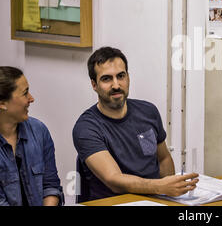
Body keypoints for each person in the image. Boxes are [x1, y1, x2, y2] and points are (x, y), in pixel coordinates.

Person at [72, 47, 198, 202]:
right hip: (113, 202)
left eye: (121, 76)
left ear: (128, 78)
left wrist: (171, 191)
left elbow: (163, 158)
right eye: (107, 79)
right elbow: (114, 180)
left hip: (155, 200)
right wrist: (160, 186)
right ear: (94, 84)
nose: (116, 85)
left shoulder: (148, 112)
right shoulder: (86, 128)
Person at [0, 66, 64, 206]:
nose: (31, 98)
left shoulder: (39, 131)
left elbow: (50, 185)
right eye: (25, 93)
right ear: (3, 103)